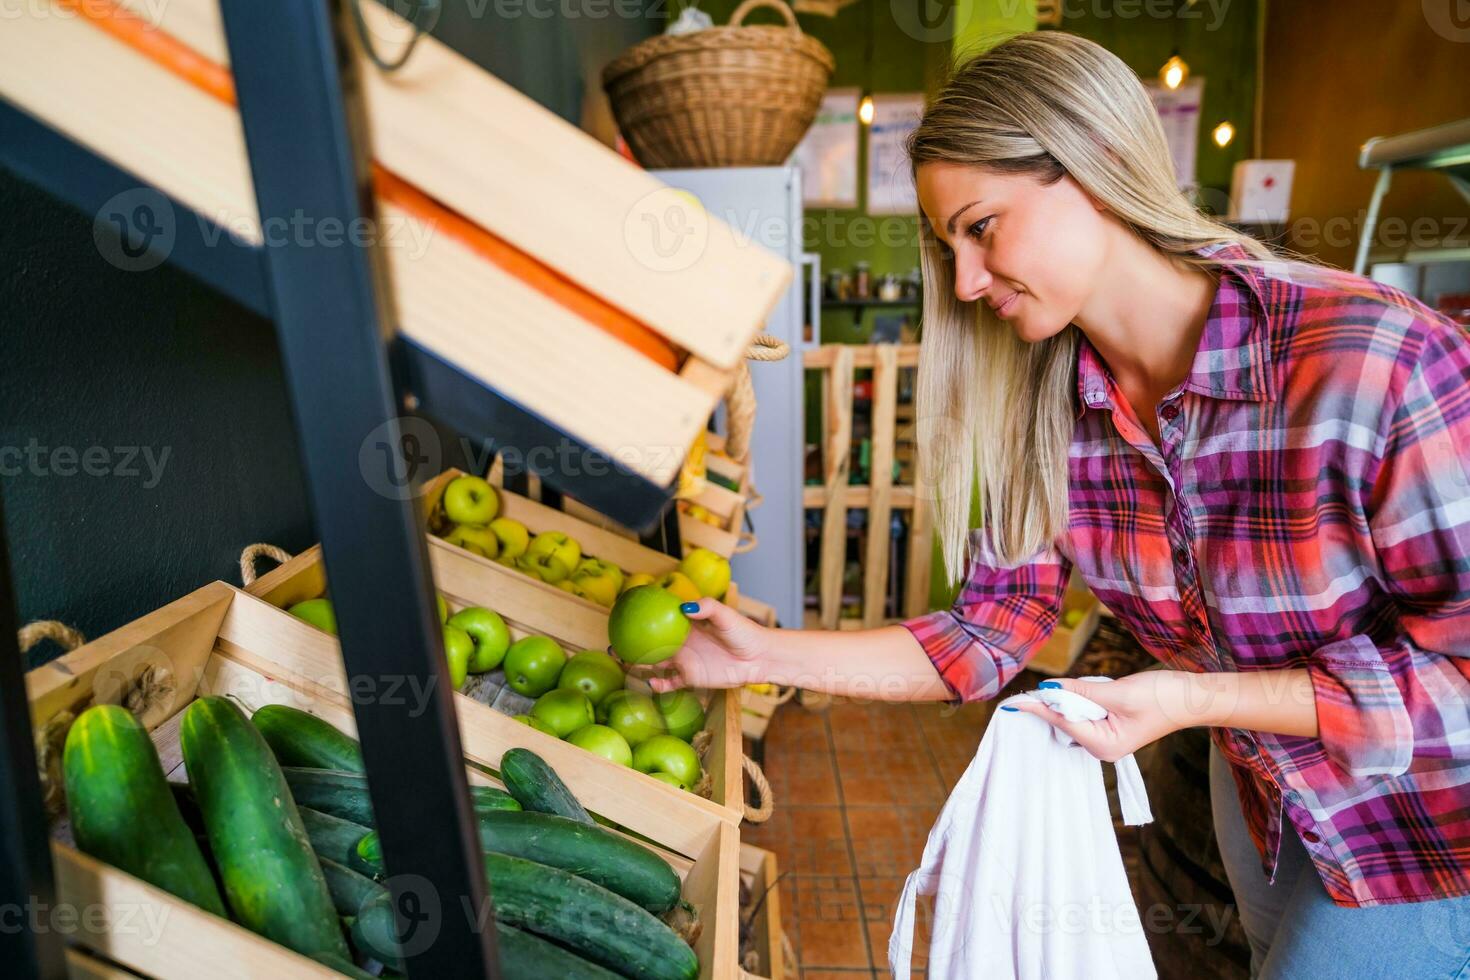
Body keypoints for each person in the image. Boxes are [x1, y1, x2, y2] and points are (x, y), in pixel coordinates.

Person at [652, 32, 1470, 980]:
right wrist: (758, 654)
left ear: (1095, 167)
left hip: (1419, 821)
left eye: (982, 226)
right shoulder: (1049, 408)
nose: (962, 282)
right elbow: (985, 637)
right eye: (946, 244)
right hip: (1257, 793)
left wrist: (1192, 698)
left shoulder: (1378, 361)